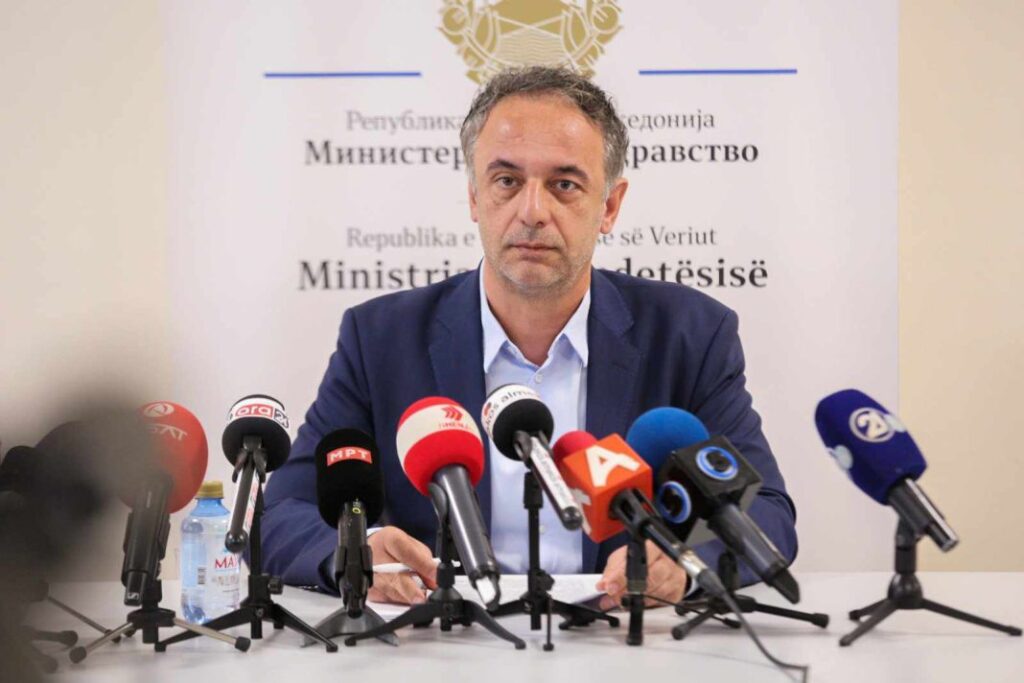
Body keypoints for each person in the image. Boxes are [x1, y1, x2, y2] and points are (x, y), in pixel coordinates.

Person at [262, 66, 796, 610]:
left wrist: (686, 564)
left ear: (610, 206)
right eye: (507, 181)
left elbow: (766, 511)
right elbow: (284, 512)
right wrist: (356, 552)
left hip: (619, 638)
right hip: (444, 641)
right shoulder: (380, 339)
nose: (533, 212)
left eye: (564, 184)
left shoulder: (689, 335)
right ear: (475, 197)